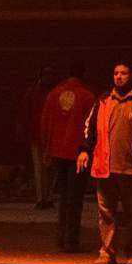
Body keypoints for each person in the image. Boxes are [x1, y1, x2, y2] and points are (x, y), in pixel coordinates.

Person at [77, 63, 132, 264]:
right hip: (105, 166)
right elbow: (90, 128)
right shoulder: (103, 101)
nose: (119, 77)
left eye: (123, 73)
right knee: (106, 213)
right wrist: (85, 150)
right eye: (115, 73)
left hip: (131, 168)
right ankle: (107, 252)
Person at [39, 63, 95, 252]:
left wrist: (46, 148)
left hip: (57, 151)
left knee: (63, 197)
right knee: (75, 198)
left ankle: (62, 237)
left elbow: (45, 123)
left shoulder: (54, 94)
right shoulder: (87, 96)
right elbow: (91, 127)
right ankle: (71, 239)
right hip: (79, 153)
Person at [16, 65, 60, 208]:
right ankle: (45, 198)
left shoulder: (35, 93)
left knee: (43, 168)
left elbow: (25, 114)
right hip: (44, 135)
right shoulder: (52, 93)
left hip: (41, 134)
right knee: (47, 168)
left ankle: (43, 198)